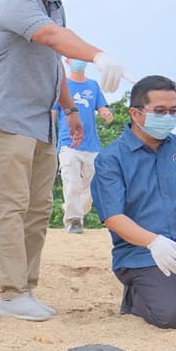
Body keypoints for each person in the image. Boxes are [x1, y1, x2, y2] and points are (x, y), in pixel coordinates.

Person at [0, 0, 131, 321]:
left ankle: (27, 287)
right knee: (12, 206)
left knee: (40, 207)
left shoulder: (54, 3)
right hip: (6, 117)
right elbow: (52, 37)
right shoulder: (18, 1)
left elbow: (52, 63)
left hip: (41, 120)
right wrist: (98, 55)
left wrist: (71, 111)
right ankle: (10, 295)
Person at [91, 75, 176, 329]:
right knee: (175, 317)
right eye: (160, 111)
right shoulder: (111, 159)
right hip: (142, 253)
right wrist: (153, 242)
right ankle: (136, 296)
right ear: (135, 113)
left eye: (174, 111)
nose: (168, 117)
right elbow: (112, 216)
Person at [53, 57, 113, 233]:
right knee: (72, 182)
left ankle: (76, 210)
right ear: (67, 61)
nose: (79, 61)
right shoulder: (62, 86)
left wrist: (107, 113)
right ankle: (73, 221)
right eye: (75, 58)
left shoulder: (93, 85)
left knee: (91, 186)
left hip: (92, 145)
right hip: (68, 143)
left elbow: (102, 107)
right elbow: (53, 112)